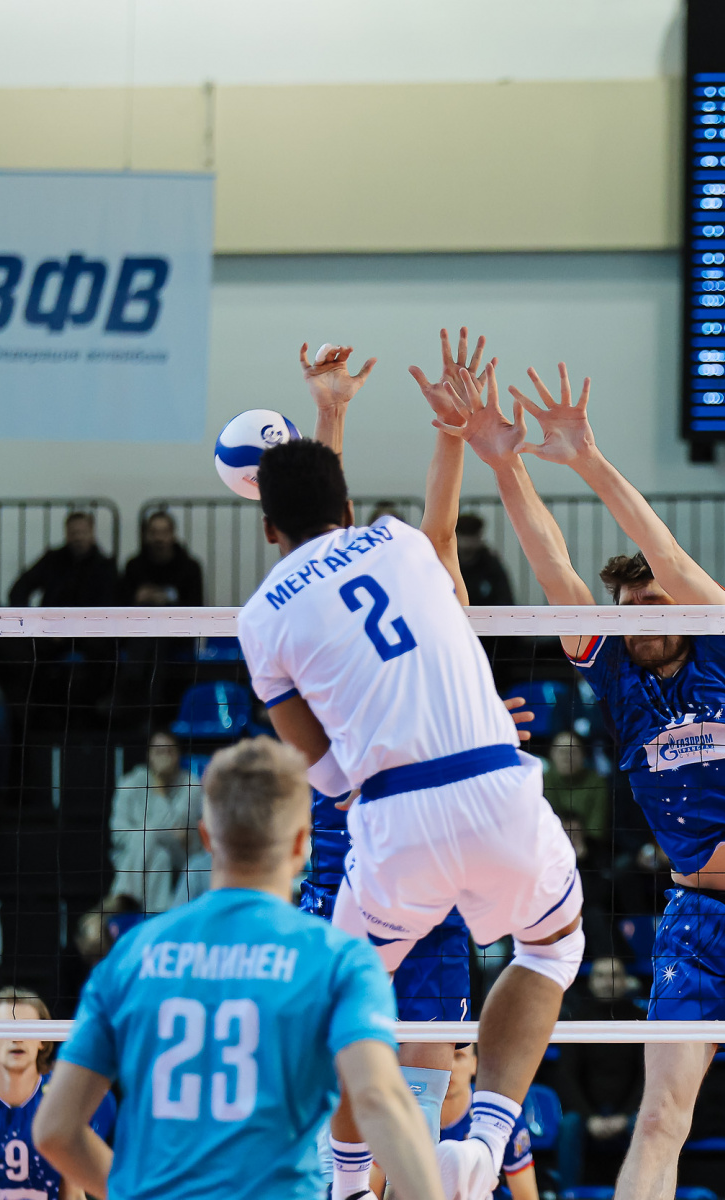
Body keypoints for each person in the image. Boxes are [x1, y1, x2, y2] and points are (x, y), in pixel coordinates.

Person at [434, 358, 725, 1200]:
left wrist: (587, 460)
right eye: (630, 610)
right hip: (696, 916)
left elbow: (670, 557)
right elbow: (552, 567)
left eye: (656, 603)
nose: (644, 618)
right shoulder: (617, 676)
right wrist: (504, 463)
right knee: (660, 1120)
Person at [236, 334, 583, 1200]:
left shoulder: (261, 617)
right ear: (350, 506)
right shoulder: (400, 544)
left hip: (388, 819)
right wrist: (450, 433)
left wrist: (358, 784)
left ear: (268, 527)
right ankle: (489, 1139)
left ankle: (348, 1184)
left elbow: (312, 758)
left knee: (349, 1008)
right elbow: (415, 538)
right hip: (496, 784)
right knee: (552, 947)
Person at [34, 738, 444, 1200]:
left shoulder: (132, 955)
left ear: (207, 838)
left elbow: (55, 1130)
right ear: (301, 843)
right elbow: (377, 1100)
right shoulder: (338, 959)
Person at [0, 988, 117, 1200]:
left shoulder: (65, 1101)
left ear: (44, 1039)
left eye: (27, 1028)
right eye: (6, 1028)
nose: (17, 1038)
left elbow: (73, 1194)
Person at [556, 956, 648, 1188]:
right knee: (569, 1124)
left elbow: (646, 1076)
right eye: (601, 976)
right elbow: (567, 1076)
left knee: (647, 1123)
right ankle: (567, 1193)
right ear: (590, 982)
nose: (608, 982)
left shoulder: (641, 1020)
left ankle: (641, 1190)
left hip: (629, 1111)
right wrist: (590, 1117)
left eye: (614, 976)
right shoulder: (576, 1021)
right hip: (588, 1113)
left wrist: (625, 1115)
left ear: (626, 981)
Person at [103, 730, 206, 913]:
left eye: (169, 751)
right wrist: (145, 841)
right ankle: (156, 913)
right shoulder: (130, 783)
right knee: (159, 856)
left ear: (178, 755)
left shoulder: (191, 785)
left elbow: (179, 831)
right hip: (133, 855)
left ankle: (122, 896)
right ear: (149, 755)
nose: (163, 757)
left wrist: (159, 787)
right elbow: (118, 833)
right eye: (158, 752)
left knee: (148, 834)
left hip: (182, 854)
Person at [434, 1045, 539, 1200]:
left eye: (458, 1056)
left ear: (475, 1064)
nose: (450, 1066)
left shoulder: (502, 1115)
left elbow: (526, 1196)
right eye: (442, 1056)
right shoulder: (408, 1114)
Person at [7, 512, 117, 607]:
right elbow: (20, 588)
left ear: (92, 533)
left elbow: (111, 603)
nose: (78, 538)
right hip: (52, 622)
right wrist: (27, 618)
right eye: (74, 533)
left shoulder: (105, 567)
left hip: (91, 623)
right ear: (67, 534)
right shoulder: (52, 560)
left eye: (83, 532)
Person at [121, 510, 206, 606]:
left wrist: (167, 600)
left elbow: (195, 605)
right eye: (153, 532)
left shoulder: (190, 568)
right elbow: (121, 604)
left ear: (173, 535)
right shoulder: (133, 567)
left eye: (164, 532)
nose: (159, 538)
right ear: (145, 536)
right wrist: (137, 598)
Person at [543, 730, 609, 844]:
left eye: (572, 751)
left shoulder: (596, 782)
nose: (566, 757)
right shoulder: (542, 781)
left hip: (590, 845)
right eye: (561, 751)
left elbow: (597, 828)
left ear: (583, 755)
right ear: (551, 754)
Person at [456, 513, 516, 606]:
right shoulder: (447, 564)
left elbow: (505, 599)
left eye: (472, 537)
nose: (468, 543)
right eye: (464, 536)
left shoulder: (491, 564)